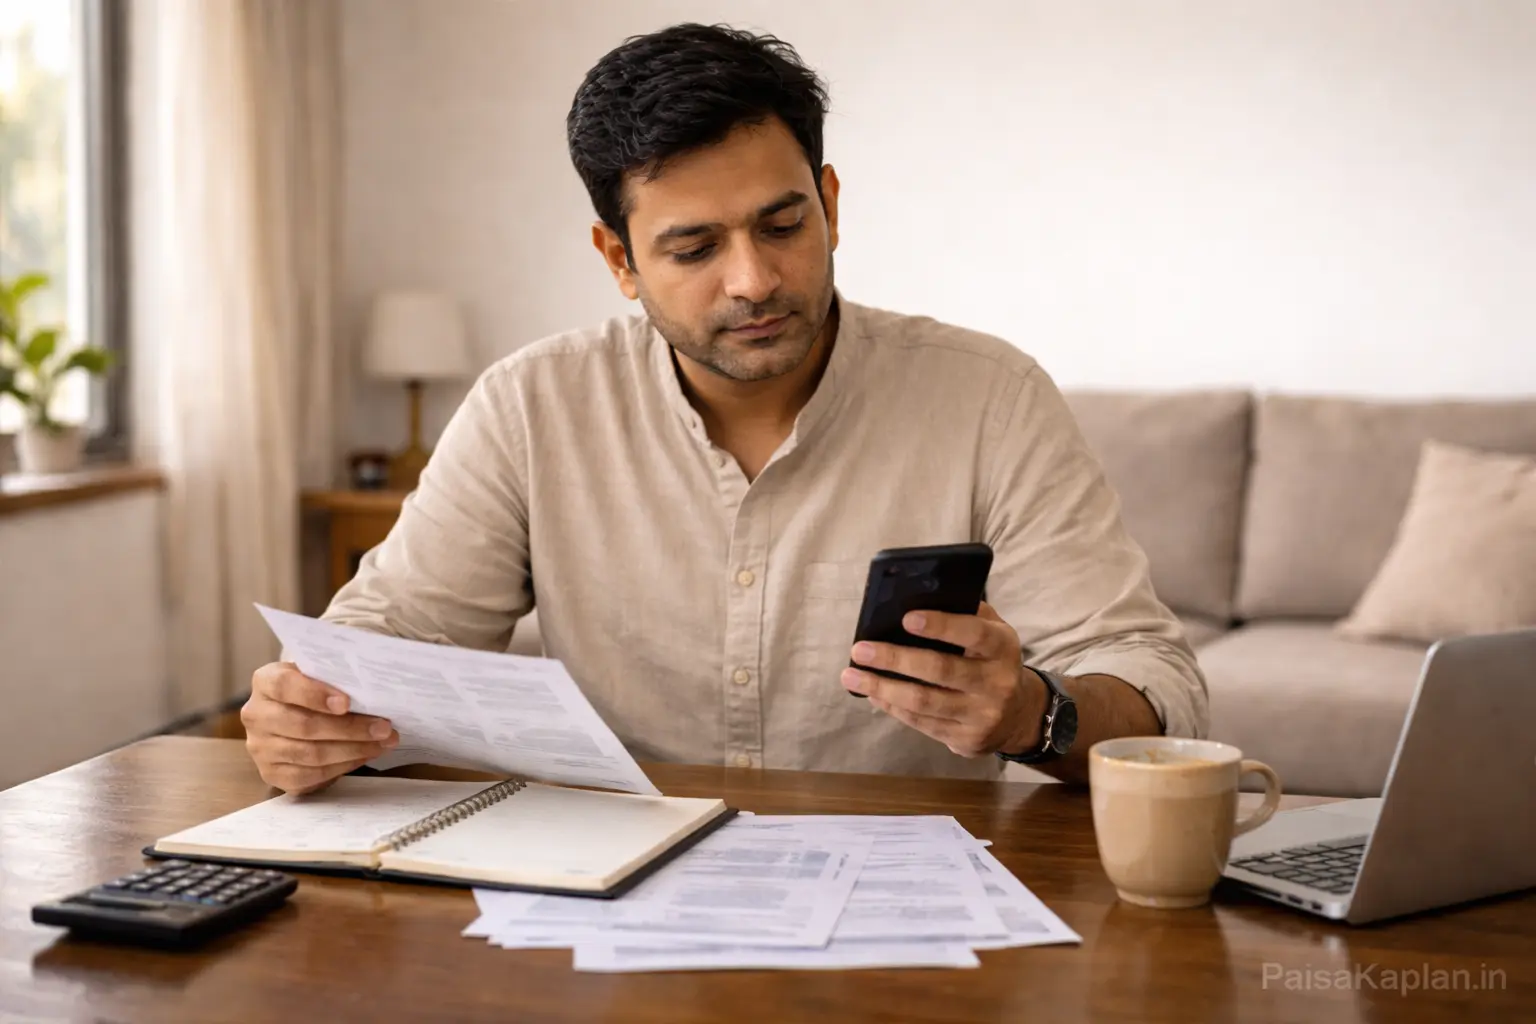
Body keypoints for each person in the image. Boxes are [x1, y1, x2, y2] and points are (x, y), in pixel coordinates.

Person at [242, 23, 1207, 795]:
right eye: (695, 249)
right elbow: (391, 641)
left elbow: (1155, 684)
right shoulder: (531, 406)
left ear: (830, 204)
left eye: (783, 225)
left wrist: (1034, 714)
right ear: (619, 260)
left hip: (910, 888)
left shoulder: (989, 396)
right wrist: (307, 715)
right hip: (609, 886)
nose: (754, 280)